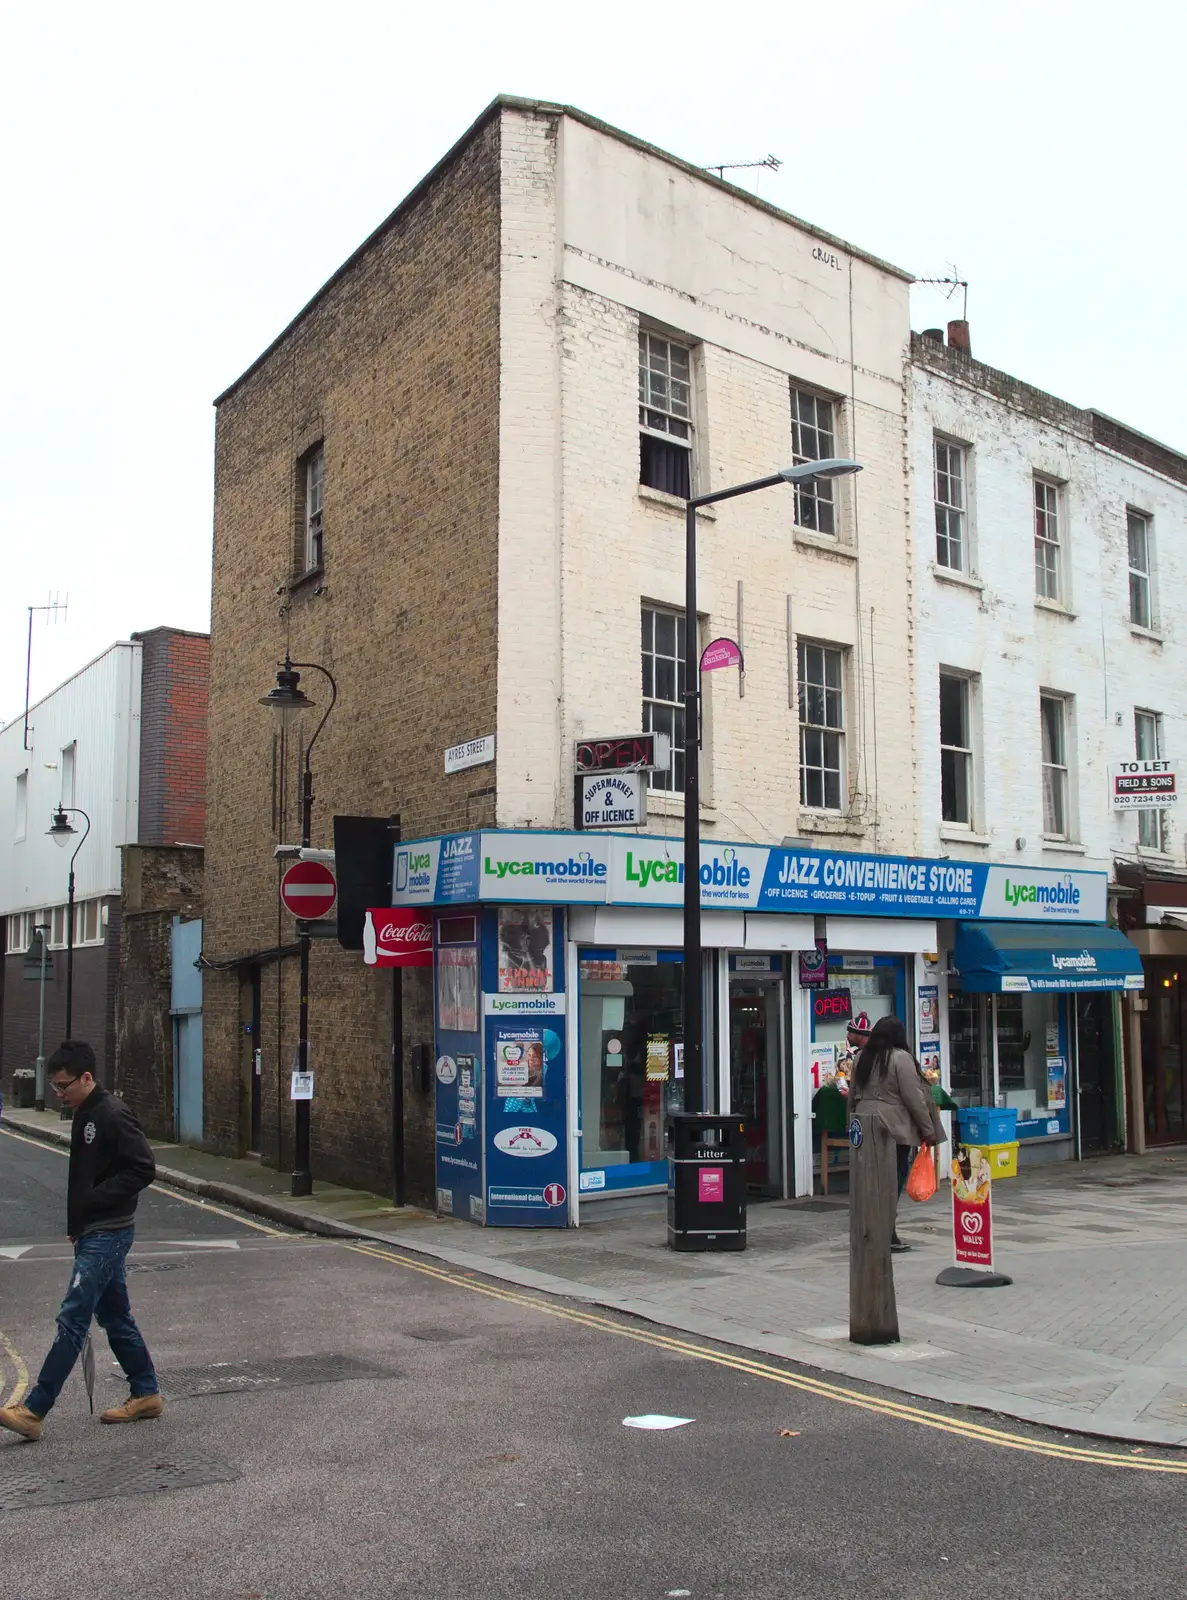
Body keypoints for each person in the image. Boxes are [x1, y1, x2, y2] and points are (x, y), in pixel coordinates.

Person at [0, 1041, 163, 1443]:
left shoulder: (111, 1113)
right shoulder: (83, 1112)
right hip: (92, 1229)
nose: (59, 1093)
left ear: (86, 1078)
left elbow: (143, 1168)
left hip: (109, 1231)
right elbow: (81, 1177)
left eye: (64, 1086)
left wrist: (95, 1201)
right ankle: (146, 1393)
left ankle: (34, 1410)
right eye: (55, 1086)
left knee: (73, 1317)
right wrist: (77, 1221)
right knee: (114, 1316)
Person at [848, 1016, 945, 1253]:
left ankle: (866, 1232)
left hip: (863, 1126)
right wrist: (928, 1130)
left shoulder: (861, 1057)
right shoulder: (901, 1058)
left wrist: (851, 1125)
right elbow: (914, 1098)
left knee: (867, 1184)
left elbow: (852, 1095)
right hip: (894, 1129)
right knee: (891, 1183)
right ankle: (887, 1234)